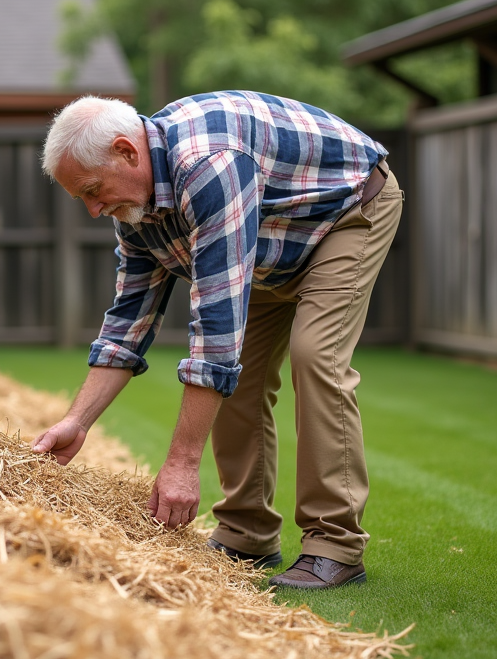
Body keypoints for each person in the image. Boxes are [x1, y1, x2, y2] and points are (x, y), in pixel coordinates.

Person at [30, 92, 403, 590]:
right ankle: (247, 531)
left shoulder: (208, 164)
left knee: (315, 355)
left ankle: (333, 544)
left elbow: (215, 329)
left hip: (346, 213)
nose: (95, 211)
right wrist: (77, 421)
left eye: (94, 191)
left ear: (126, 151)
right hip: (271, 245)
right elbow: (128, 323)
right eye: (83, 199)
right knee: (239, 377)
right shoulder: (136, 215)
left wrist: (183, 464)